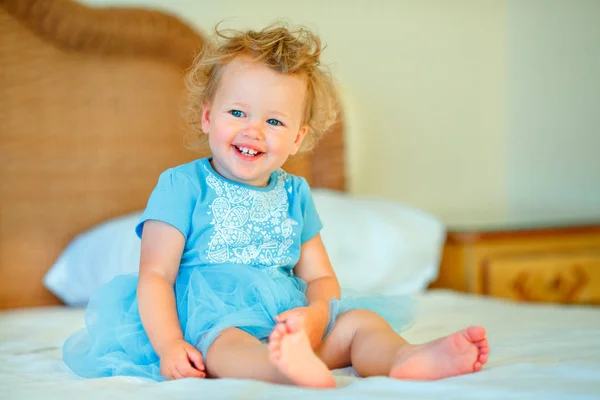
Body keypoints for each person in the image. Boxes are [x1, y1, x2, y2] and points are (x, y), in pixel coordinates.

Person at [63, 24, 489, 388]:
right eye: (237, 112)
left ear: (297, 138)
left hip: (288, 318)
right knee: (228, 345)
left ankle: (403, 359)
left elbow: (320, 275)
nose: (254, 131)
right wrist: (171, 345)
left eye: (274, 121)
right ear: (208, 117)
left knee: (360, 323)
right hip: (210, 321)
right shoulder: (183, 185)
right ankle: (283, 370)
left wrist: (318, 315)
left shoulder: (294, 193)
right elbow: (155, 275)